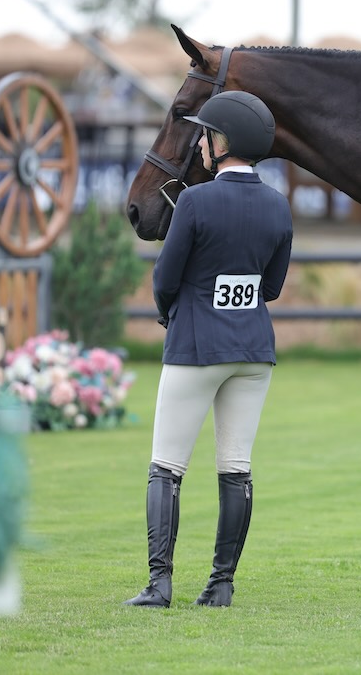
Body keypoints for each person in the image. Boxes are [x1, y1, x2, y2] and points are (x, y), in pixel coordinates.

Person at [125, 91, 293, 608]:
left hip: (197, 345)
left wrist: (171, 312)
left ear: (222, 143)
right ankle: (221, 584)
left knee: (167, 465)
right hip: (252, 351)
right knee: (236, 465)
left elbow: (165, 278)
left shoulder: (195, 201)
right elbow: (273, 286)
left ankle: (159, 583)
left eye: (206, 134)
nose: (200, 142)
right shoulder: (278, 205)